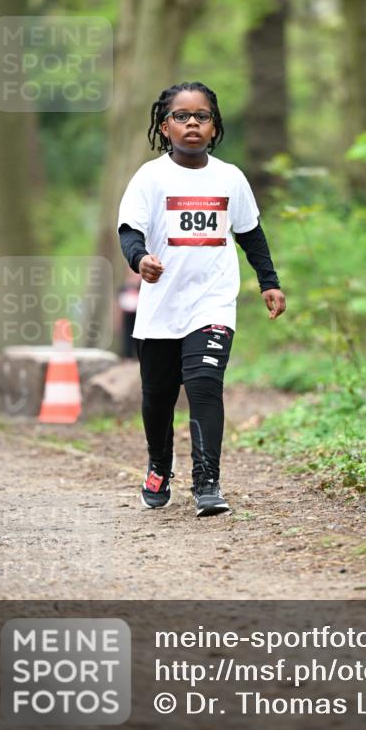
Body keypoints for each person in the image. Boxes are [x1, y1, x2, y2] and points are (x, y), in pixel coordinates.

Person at [117, 81, 286, 516]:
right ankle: (159, 464)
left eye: (202, 116)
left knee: (205, 385)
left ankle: (207, 482)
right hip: (160, 306)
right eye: (181, 116)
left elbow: (250, 232)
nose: (192, 122)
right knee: (157, 395)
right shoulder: (150, 177)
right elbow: (130, 230)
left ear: (214, 127)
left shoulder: (230, 178)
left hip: (212, 303)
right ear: (164, 125)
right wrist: (140, 260)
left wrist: (269, 281)